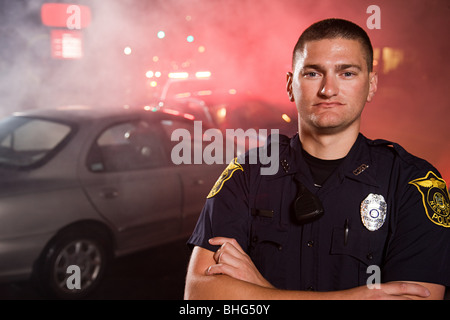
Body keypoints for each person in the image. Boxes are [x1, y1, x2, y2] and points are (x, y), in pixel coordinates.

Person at [184, 18, 450, 300]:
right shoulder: (247, 174)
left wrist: (261, 288)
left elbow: (419, 297)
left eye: (347, 73)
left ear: (371, 85)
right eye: (312, 73)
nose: (328, 89)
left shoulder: (412, 183)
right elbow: (200, 294)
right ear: (290, 85)